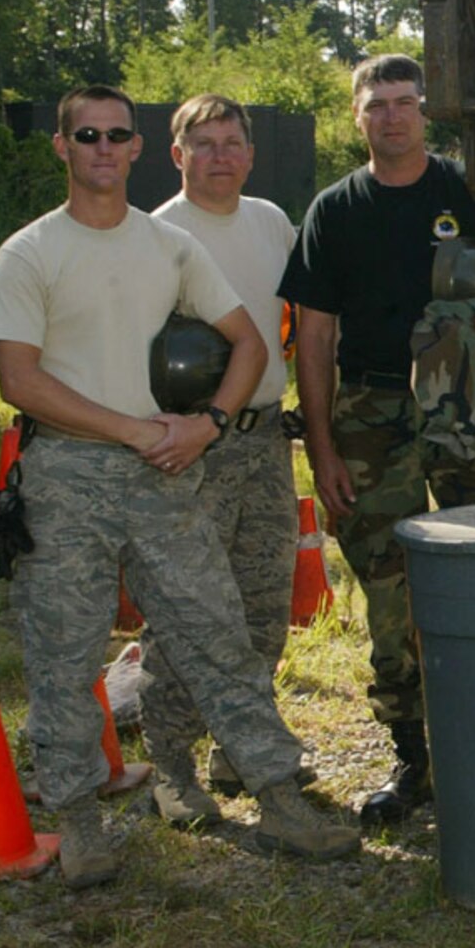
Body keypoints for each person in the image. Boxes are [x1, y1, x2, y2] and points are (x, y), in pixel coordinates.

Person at [0, 85, 358, 887]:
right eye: (88, 135)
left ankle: (280, 797)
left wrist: (209, 425)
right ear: (63, 147)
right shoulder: (29, 252)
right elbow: (20, 379)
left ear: (138, 148)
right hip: (68, 474)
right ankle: (81, 824)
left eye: (118, 135)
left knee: (217, 630)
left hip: (163, 471)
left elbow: (249, 343)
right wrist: (130, 429)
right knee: (63, 652)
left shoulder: (167, 248)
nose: (104, 149)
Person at [278, 54, 475, 828]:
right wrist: (321, 448)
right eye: (376, 104)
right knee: (391, 594)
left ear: (428, 111)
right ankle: (415, 761)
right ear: (358, 117)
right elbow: (313, 338)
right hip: (370, 417)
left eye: (405, 102)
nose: (392, 116)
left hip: (470, 411)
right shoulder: (336, 211)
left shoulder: (474, 194)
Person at [141, 94, 304, 824]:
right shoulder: (153, 236)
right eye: (202, 144)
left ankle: (239, 748)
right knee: (185, 610)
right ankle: (170, 765)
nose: (219, 157)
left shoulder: (270, 221)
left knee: (264, 604)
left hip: (264, 440)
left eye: (231, 142)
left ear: (249, 152)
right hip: (186, 447)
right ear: (176, 156)